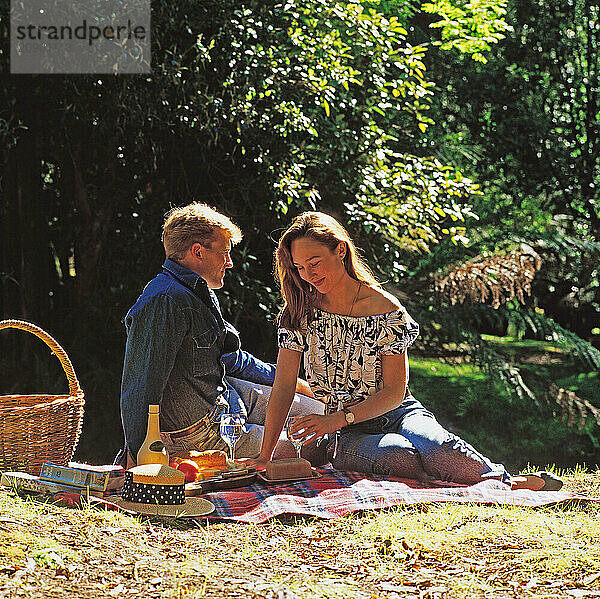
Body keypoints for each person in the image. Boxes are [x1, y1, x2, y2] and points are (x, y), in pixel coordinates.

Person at [248, 211, 563, 491]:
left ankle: (504, 481)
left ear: (340, 250)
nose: (308, 275)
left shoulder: (385, 309)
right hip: (347, 433)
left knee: (437, 445)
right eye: (300, 268)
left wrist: (338, 419)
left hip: (399, 411)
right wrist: (265, 454)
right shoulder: (299, 312)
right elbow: (285, 386)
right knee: (399, 455)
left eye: (314, 263)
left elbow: (395, 391)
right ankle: (471, 477)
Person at [116, 203, 323, 469]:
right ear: (198, 252)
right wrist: (135, 458)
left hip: (228, 398)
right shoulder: (165, 301)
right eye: (224, 253)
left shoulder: (197, 290)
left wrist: (290, 381)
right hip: (200, 435)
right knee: (317, 445)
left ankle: (386, 416)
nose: (230, 262)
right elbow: (140, 386)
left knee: (322, 411)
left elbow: (231, 358)